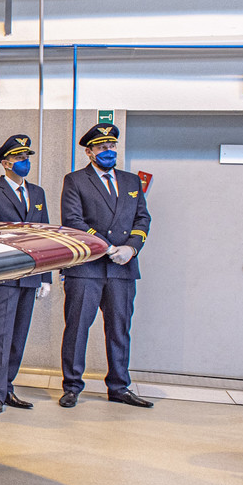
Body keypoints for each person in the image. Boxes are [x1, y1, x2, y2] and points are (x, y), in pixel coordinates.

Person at [59, 123, 153, 409]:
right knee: (77, 329)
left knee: (119, 329)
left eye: (112, 146)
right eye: (102, 147)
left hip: (122, 268)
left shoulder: (131, 181)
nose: (108, 151)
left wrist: (131, 248)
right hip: (86, 268)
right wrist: (109, 247)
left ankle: (119, 386)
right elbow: (73, 221)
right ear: (89, 152)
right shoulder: (75, 180)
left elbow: (142, 218)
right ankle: (72, 386)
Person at [0, 134, 52, 417]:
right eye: (19, 158)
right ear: (6, 163)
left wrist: (45, 277)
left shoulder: (37, 193)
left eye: (26, 157)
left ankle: (7, 388)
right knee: (1, 336)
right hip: (4, 276)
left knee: (18, 336)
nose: (24, 162)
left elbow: (44, 236)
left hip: (30, 274)